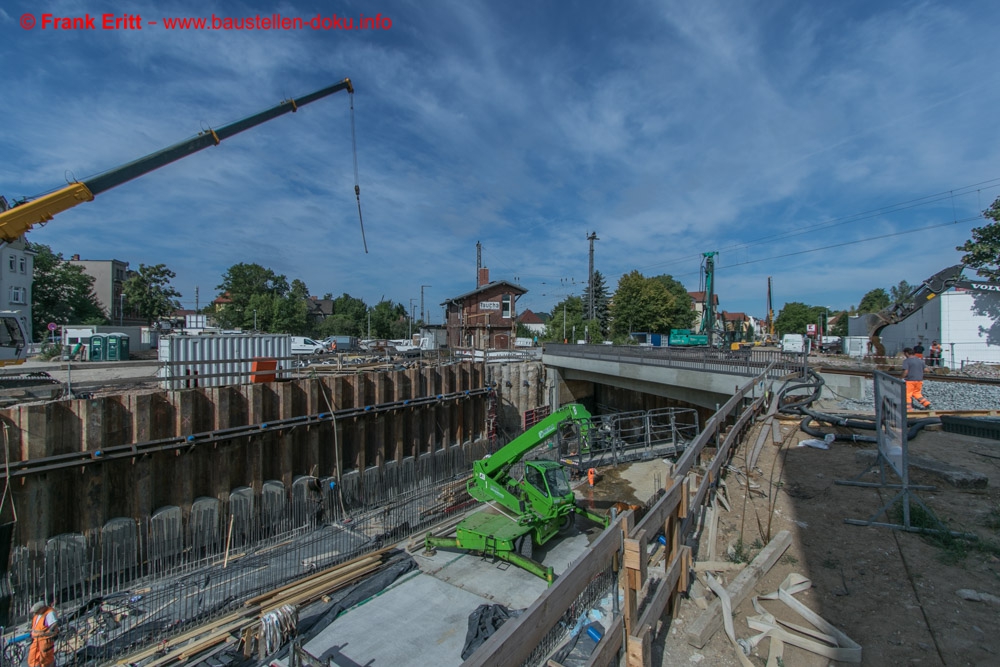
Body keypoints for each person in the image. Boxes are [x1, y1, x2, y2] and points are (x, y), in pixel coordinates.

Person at [28, 601, 58, 667]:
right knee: (33, 658)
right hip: (36, 639)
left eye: (37, 612)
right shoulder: (38, 614)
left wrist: (46, 633)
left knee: (45, 658)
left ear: (42, 609)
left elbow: (54, 624)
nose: (36, 613)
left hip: (45, 639)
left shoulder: (50, 613)